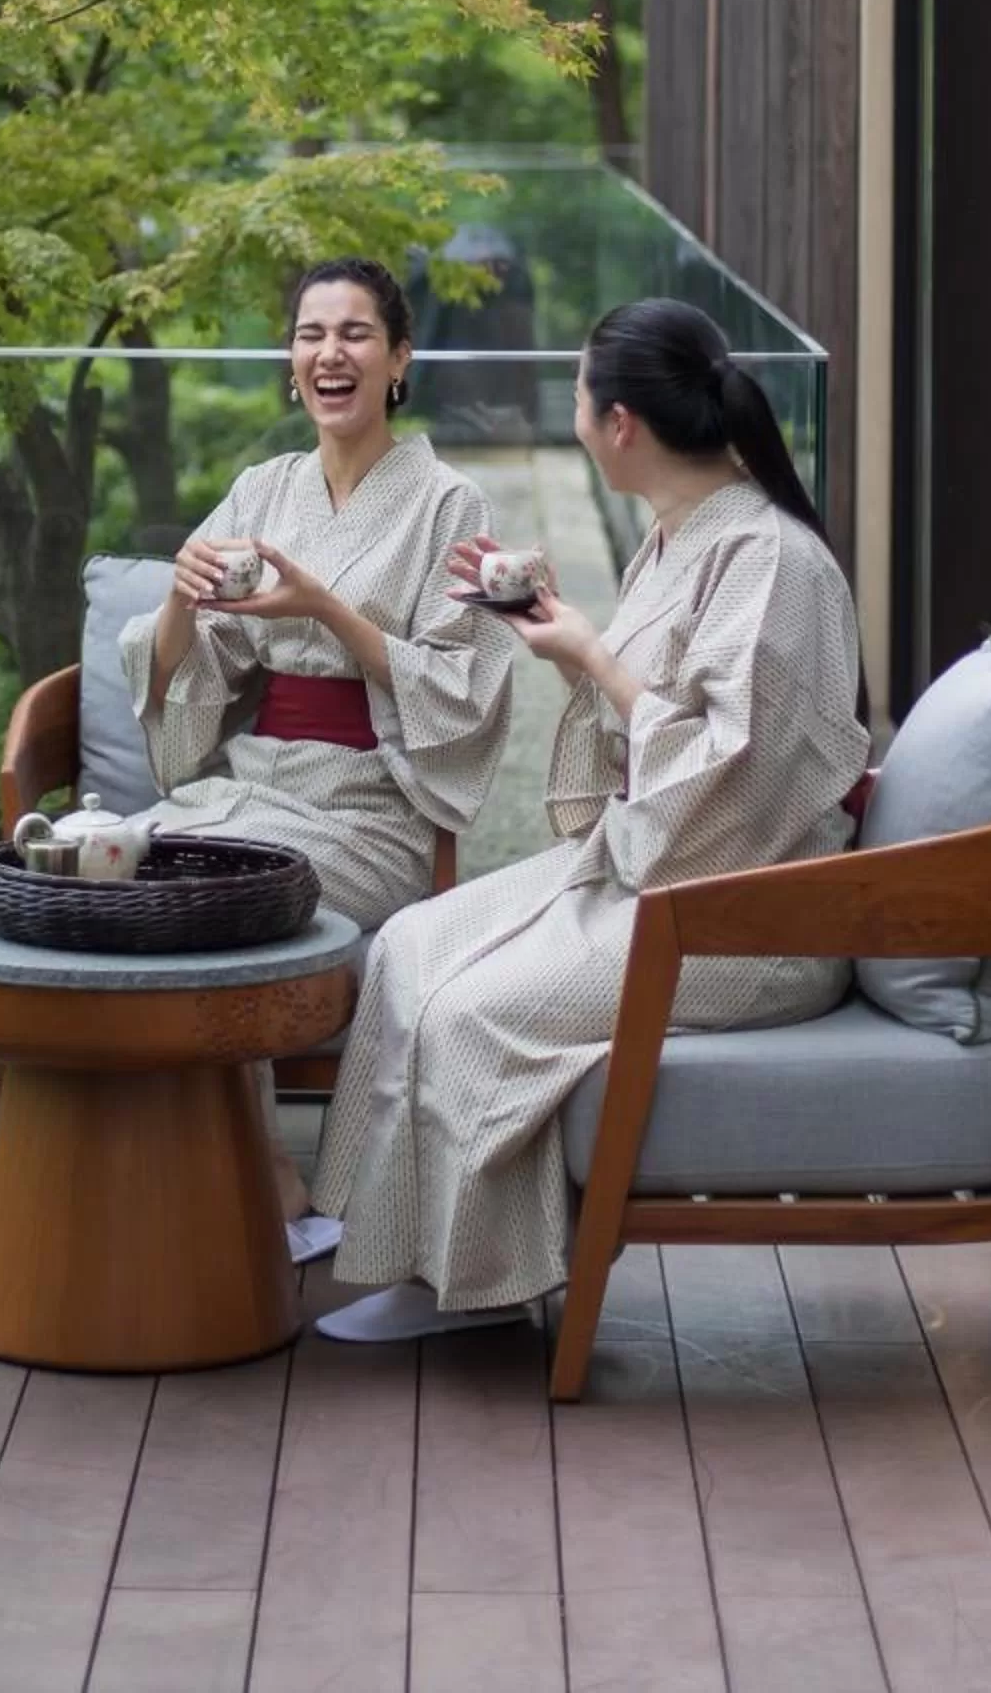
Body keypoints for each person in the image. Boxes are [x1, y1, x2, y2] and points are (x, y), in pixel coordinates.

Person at [304, 295, 869, 1343]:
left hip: (744, 914)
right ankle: (385, 1228)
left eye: (574, 395)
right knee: (409, 948)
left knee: (473, 1014)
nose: (568, 412)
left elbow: (731, 777)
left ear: (618, 425)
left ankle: (476, 1285)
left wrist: (591, 658)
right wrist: (563, 639)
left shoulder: (768, 560)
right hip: (661, 867)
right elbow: (656, 738)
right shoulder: (678, 538)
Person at [119, 257, 517, 1233]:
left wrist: (324, 610)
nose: (327, 353)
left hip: (367, 807)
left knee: (221, 905)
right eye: (309, 335)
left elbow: (463, 687)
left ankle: (266, 1184)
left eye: (352, 335)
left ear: (397, 360)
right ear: (289, 363)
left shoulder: (449, 507)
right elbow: (183, 665)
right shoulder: (262, 488)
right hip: (252, 783)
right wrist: (177, 592)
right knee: (110, 874)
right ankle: (148, 1165)